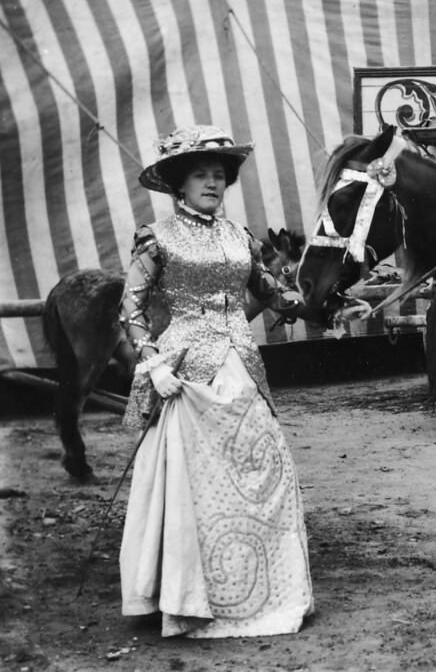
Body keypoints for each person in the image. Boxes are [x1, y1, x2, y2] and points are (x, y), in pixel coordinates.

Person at [118, 126, 314, 639]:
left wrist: (316, 295)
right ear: (179, 185)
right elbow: (131, 308)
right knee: (195, 487)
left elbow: (272, 292)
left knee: (265, 468)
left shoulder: (238, 236)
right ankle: (187, 595)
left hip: (242, 369)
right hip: (187, 378)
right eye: (201, 175)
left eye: (219, 175)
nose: (212, 183)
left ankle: (264, 589)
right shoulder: (156, 237)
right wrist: (153, 362)